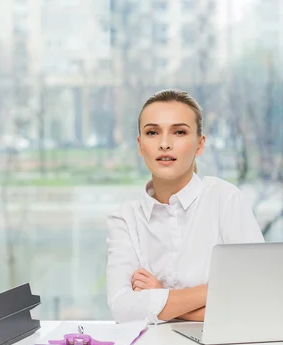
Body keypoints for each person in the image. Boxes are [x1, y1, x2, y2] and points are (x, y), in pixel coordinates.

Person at [106, 89, 264, 325]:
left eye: (179, 132)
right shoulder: (125, 219)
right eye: (152, 132)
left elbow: (257, 299)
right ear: (140, 145)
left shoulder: (225, 199)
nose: (165, 144)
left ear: (200, 145)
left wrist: (159, 296)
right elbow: (123, 309)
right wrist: (217, 290)